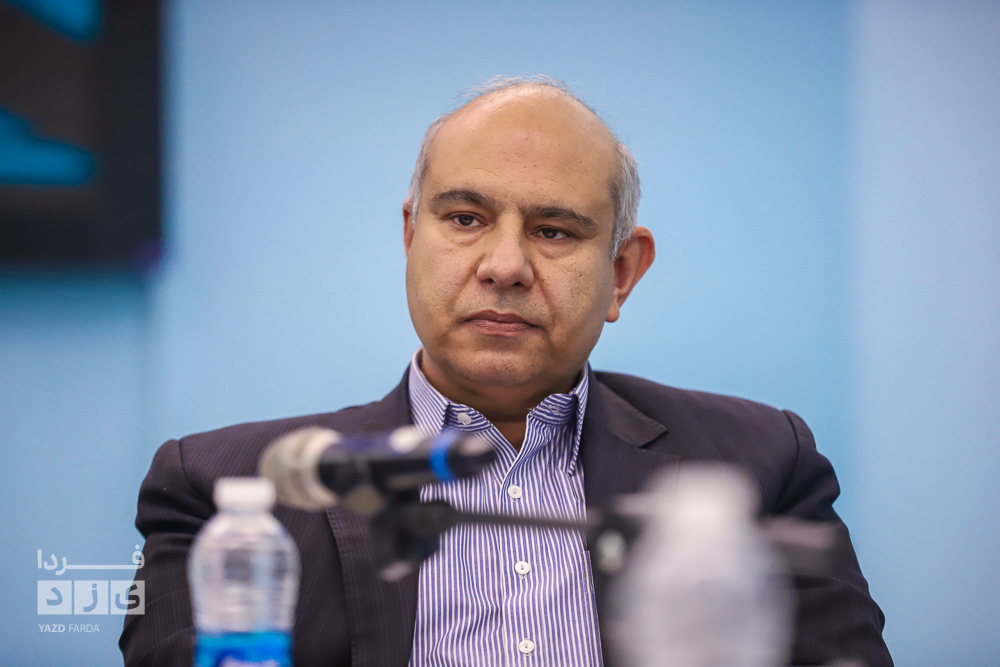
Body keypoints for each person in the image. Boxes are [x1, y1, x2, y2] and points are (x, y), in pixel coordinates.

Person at [120, 76, 892, 667]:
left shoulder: (760, 464)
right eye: (466, 219)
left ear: (622, 272)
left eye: (554, 231)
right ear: (410, 237)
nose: (504, 265)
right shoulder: (221, 488)